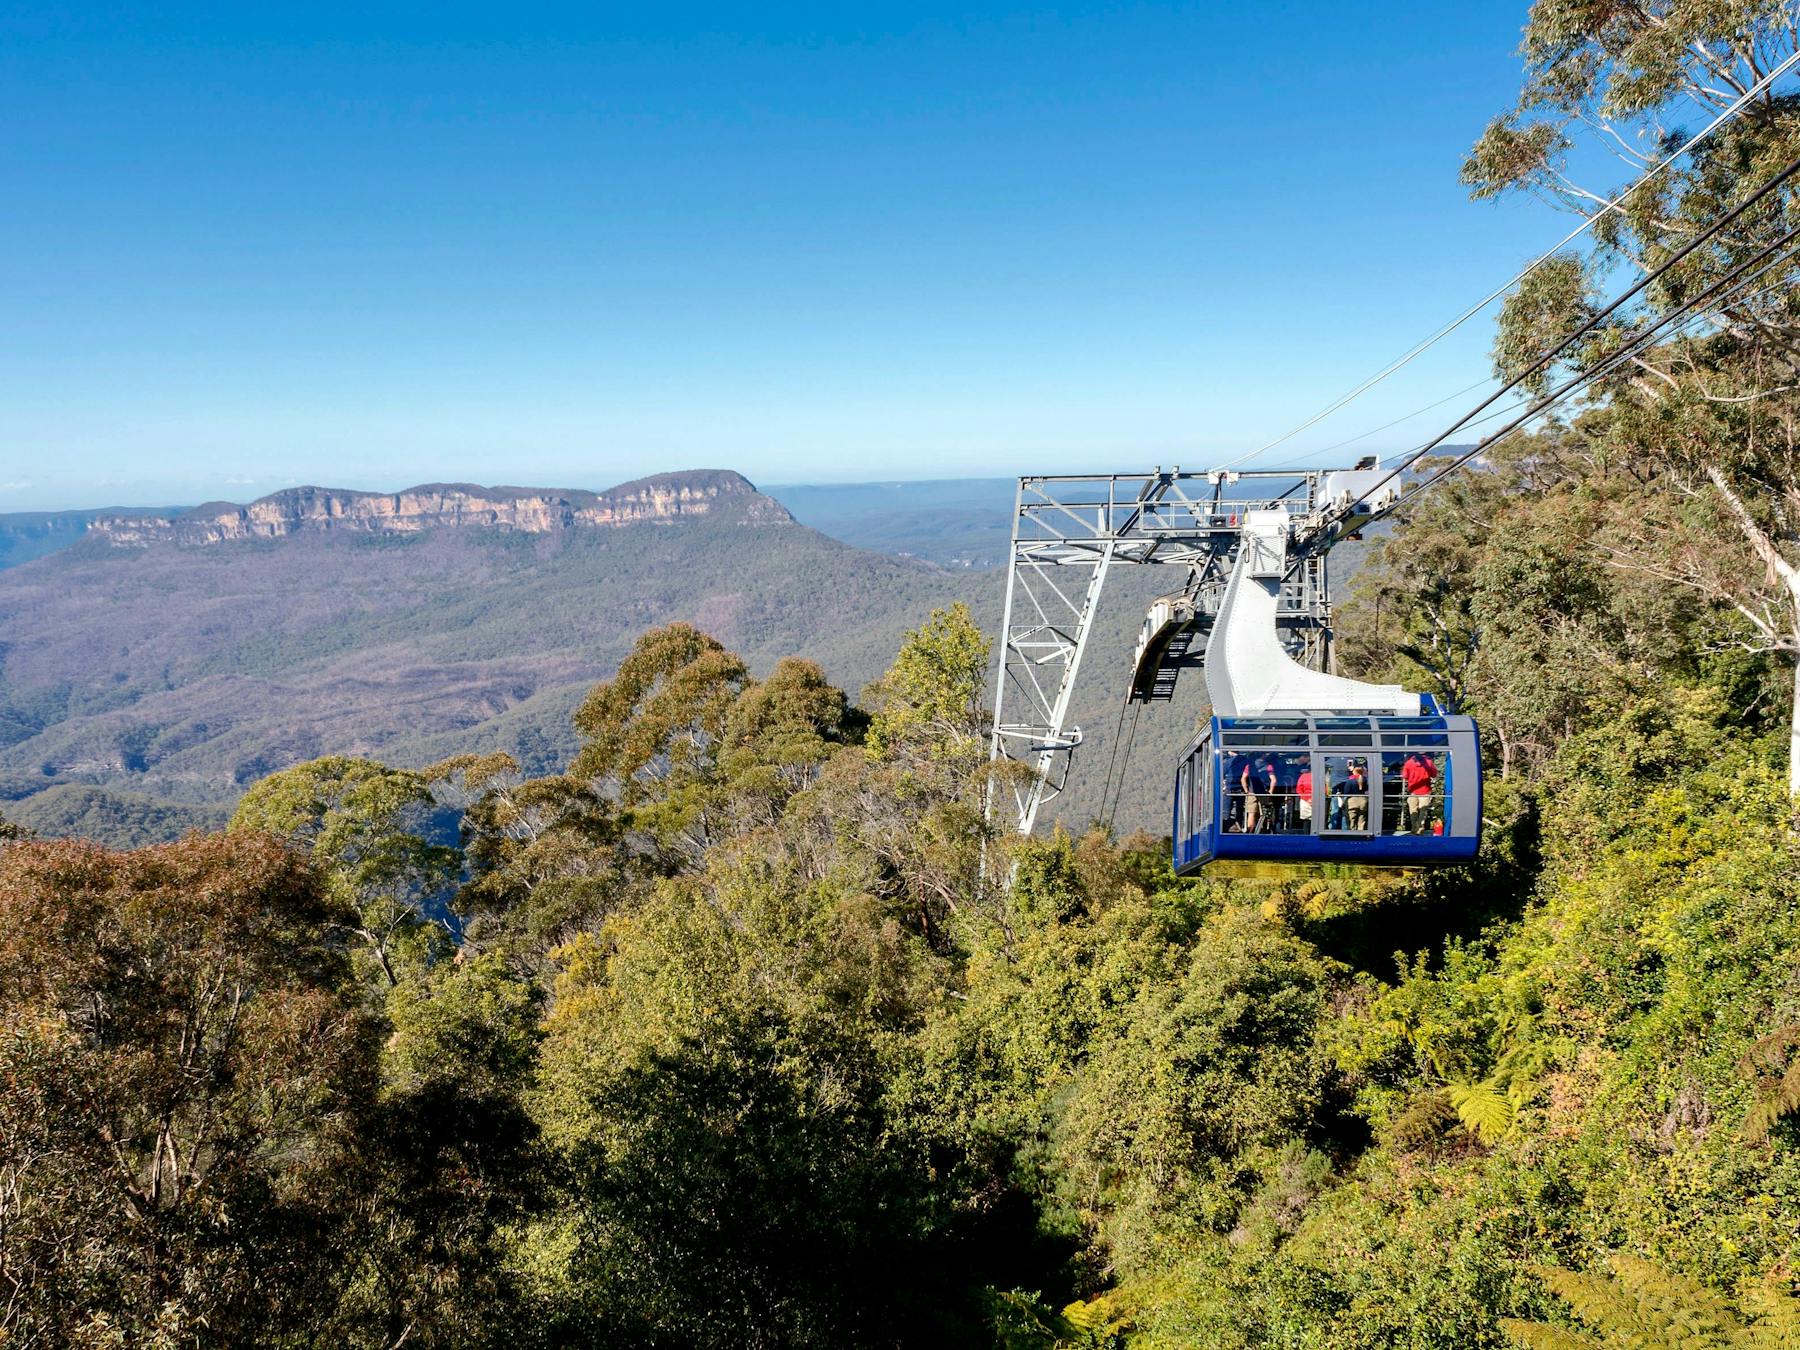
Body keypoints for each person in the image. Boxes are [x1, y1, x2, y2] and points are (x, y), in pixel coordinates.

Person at [1401, 751, 1437, 833]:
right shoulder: (1429, 762)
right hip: (1425, 790)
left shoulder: (1409, 763)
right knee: (1423, 811)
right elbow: (1434, 774)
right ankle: (1420, 828)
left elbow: (1405, 776)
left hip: (1413, 790)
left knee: (1413, 810)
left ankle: (1414, 828)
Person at [1340, 759, 1368, 831]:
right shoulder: (1365, 779)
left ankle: (1353, 836)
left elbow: (1346, 792)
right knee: (1362, 820)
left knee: (1351, 821)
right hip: (1363, 801)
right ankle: (1361, 834)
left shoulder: (1350, 780)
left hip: (1352, 801)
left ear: (1354, 771)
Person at [1295, 760, 1315, 827]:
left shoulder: (1303, 776)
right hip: (1317, 800)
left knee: (1306, 821)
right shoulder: (1320, 777)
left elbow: (1299, 790)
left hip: (1305, 800)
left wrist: (1307, 799)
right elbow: (1325, 790)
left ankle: (1307, 836)